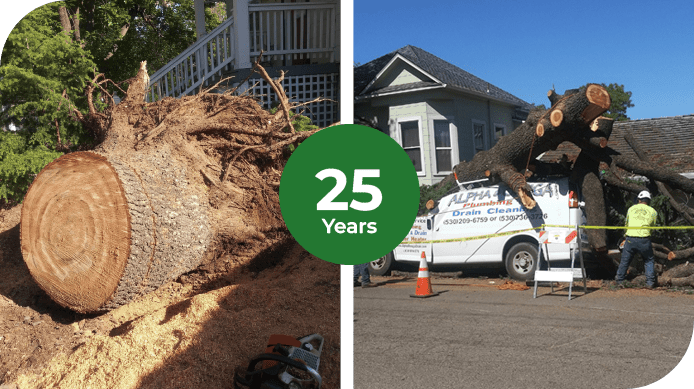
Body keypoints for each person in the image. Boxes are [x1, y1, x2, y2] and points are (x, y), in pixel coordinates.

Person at [615, 190, 658, 288]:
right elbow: (652, 226)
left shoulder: (631, 209)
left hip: (630, 239)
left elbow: (627, 223)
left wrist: (625, 236)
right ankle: (650, 282)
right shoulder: (653, 211)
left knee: (625, 260)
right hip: (644, 239)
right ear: (648, 201)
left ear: (639, 200)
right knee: (648, 260)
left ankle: (619, 280)